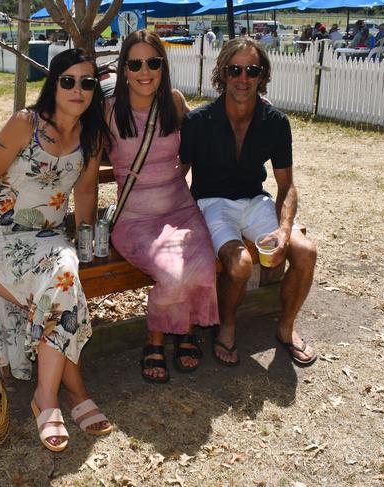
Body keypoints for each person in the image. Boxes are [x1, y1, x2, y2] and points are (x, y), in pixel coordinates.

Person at [0, 49, 112, 452]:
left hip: (48, 240)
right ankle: (68, 393)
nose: (78, 89)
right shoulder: (25, 124)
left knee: (64, 280)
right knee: (64, 288)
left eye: (87, 82)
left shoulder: (92, 136)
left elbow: (85, 191)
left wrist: (84, 239)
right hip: (0, 238)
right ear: (54, 83)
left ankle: (49, 397)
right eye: (69, 80)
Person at [180, 37, 318, 367]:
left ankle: (285, 329)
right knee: (239, 263)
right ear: (223, 73)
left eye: (252, 70)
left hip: (256, 201)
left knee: (306, 252)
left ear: (262, 75)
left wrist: (285, 230)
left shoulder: (275, 122)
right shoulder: (198, 122)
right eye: (235, 70)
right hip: (212, 203)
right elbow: (177, 176)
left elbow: (286, 186)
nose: (243, 78)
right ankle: (226, 328)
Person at [106, 30, 219, 382]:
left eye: (153, 62)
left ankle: (185, 331)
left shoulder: (173, 101)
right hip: (135, 219)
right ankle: (156, 337)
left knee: (203, 266)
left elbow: (196, 144)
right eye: (135, 63)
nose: (144, 71)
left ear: (163, 66)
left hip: (180, 209)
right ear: (123, 69)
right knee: (172, 273)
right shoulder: (107, 110)